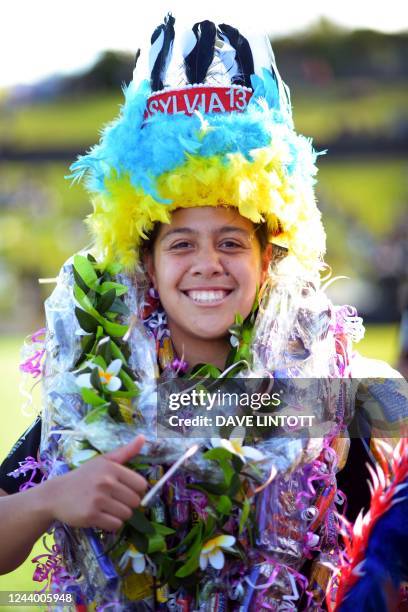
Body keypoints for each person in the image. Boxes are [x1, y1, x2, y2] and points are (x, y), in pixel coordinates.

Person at [1, 13, 407, 611]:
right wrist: (48, 499)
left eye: (232, 242)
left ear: (269, 258)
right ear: (148, 262)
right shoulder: (96, 397)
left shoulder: (350, 401)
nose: (207, 264)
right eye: (181, 243)